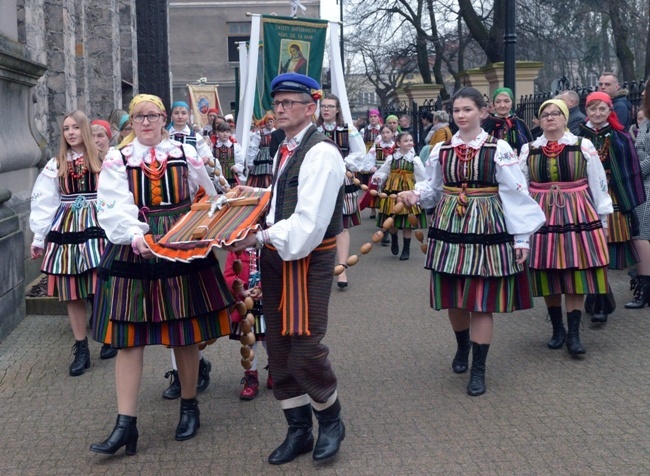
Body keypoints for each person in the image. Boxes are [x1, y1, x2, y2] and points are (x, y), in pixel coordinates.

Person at [89, 94, 234, 455]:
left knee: (183, 331)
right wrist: (134, 233)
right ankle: (126, 424)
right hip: (135, 245)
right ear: (132, 123)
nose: (146, 122)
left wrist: (206, 225)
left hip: (179, 243)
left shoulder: (186, 153)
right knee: (128, 337)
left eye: (152, 116)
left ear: (164, 119)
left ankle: (189, 406)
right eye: (139, 117)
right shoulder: (118, 158)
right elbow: (110, 204)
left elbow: (208, 194)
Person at [226, 73, 346, 464]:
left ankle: (330, 420)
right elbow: (282, 203)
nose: (279, 109)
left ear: (310, 107)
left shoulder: (322, 152)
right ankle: (298, 431)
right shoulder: (285, 147)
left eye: (288, 103)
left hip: (309, 259)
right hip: (279, 256)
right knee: (278, 349)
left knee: (306, 349)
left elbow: (308, 226)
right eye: (276, 103)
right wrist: (246, 206)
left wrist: (257, 239)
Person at [400, 87, 544, 397]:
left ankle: (479, 368)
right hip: (450, 224)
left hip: (488, 226)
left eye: (467, 110)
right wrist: (416, 194)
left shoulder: (499, 148)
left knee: (482, 301)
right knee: (453, 296)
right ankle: (461, 346)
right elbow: (433, 188)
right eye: (457, 111)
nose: (462, 116)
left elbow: (516, 194)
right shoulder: (442, 150)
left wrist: (521, 238)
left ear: (483, 111)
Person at [519, 99, 613, 355]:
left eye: (555, 114)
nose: (550, 118)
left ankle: (573, 334)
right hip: (542, 215)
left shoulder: (583, 146)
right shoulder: (529, 150)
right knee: (548, 272)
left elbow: (598, 183)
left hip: (578, 213)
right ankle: (557, 329)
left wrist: (603, 219)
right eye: (545, 114)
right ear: (539, 120)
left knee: (575, 272)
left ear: (564, 117)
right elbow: (520, 188)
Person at [30, 110, 112, 375]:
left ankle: (108, 333)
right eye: (66, 129)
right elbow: (45, 201)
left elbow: (116, 194)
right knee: (71, 288)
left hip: (98, 224)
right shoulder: (56, 164)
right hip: (66, 226)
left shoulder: (104, 160)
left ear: (85, 129)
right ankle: (81, 348)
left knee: (102, 281)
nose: (71, 132)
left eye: (76, 127)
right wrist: (39, 237)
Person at [578, 91, 645, 322]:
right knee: (588, 248)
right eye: (592, 109)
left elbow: (630, 170)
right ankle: (597, 295)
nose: (597, 114)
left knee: (603, 249)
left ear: (609, 111)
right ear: (586, 111)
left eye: (602, 109)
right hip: (583, 199)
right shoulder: (577, 135)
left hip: (612, 198)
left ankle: (598, 298)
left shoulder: (620, 137)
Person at [316, 93, 366, 289]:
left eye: (330, 106)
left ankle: (342, 267)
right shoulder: (313, 130)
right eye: (323, 106)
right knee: (319, 224)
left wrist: (341, 164)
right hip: (319, 181)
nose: (326, 109)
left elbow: (359, 153)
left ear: (337, 110)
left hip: (343, 181)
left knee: (342, 226)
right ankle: (320, 268)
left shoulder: (348, 130)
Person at [223, 247, 270, 400]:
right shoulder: (236, 250)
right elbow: (229, 275)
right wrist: (242, 290)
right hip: (246, 306)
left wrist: (263, 288)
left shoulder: (270, 246)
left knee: (271, 341)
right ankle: (251, 379)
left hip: (269, 305)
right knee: (249, 342)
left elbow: (278, 270)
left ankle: (276, 371)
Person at [371, 131, 426, 260]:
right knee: (393, 221)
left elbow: (422, 177)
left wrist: (420, 192)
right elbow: (384, 171)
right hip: (393, 192)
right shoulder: (391, 158)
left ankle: (406, 249)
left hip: (408, 193)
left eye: (411, 140)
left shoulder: (415, 159)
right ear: (398, 144)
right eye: (406, 141)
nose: (410, 143)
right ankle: (394, 239)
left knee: (408, 221)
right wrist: (379, 177)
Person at [627, 80, 650, 309]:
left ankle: (644, 291)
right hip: (643, 184)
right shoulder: (646, 121)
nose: (643, 93)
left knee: (641, 235)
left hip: (646, 183)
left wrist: (636, 172)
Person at [482, 87, 532, 154]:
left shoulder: (520, 124)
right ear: (494, 104)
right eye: (498, 102)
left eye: (506, 101)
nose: (502, 105)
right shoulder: (486, 124)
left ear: (512, 103)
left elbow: (529, 147)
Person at [246, 111, 276, 188]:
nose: (269, 124)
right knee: (259, 176)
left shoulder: (276, 132)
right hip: (261, 157)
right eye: (267, 122)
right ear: (265, 123)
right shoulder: (260, 133)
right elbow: (254, 147)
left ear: (273, 123)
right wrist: (250, 162)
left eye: (271, 122)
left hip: (273, 155)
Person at [212, 122, 246, 187]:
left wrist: (236, 167)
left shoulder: (235, 146)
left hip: (231, 177)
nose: (225, 134)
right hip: (217, 179)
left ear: (230, 133)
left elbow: (240, 162)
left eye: (227, 132)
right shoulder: (213, 146)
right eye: (222, 132)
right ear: (217, 133)